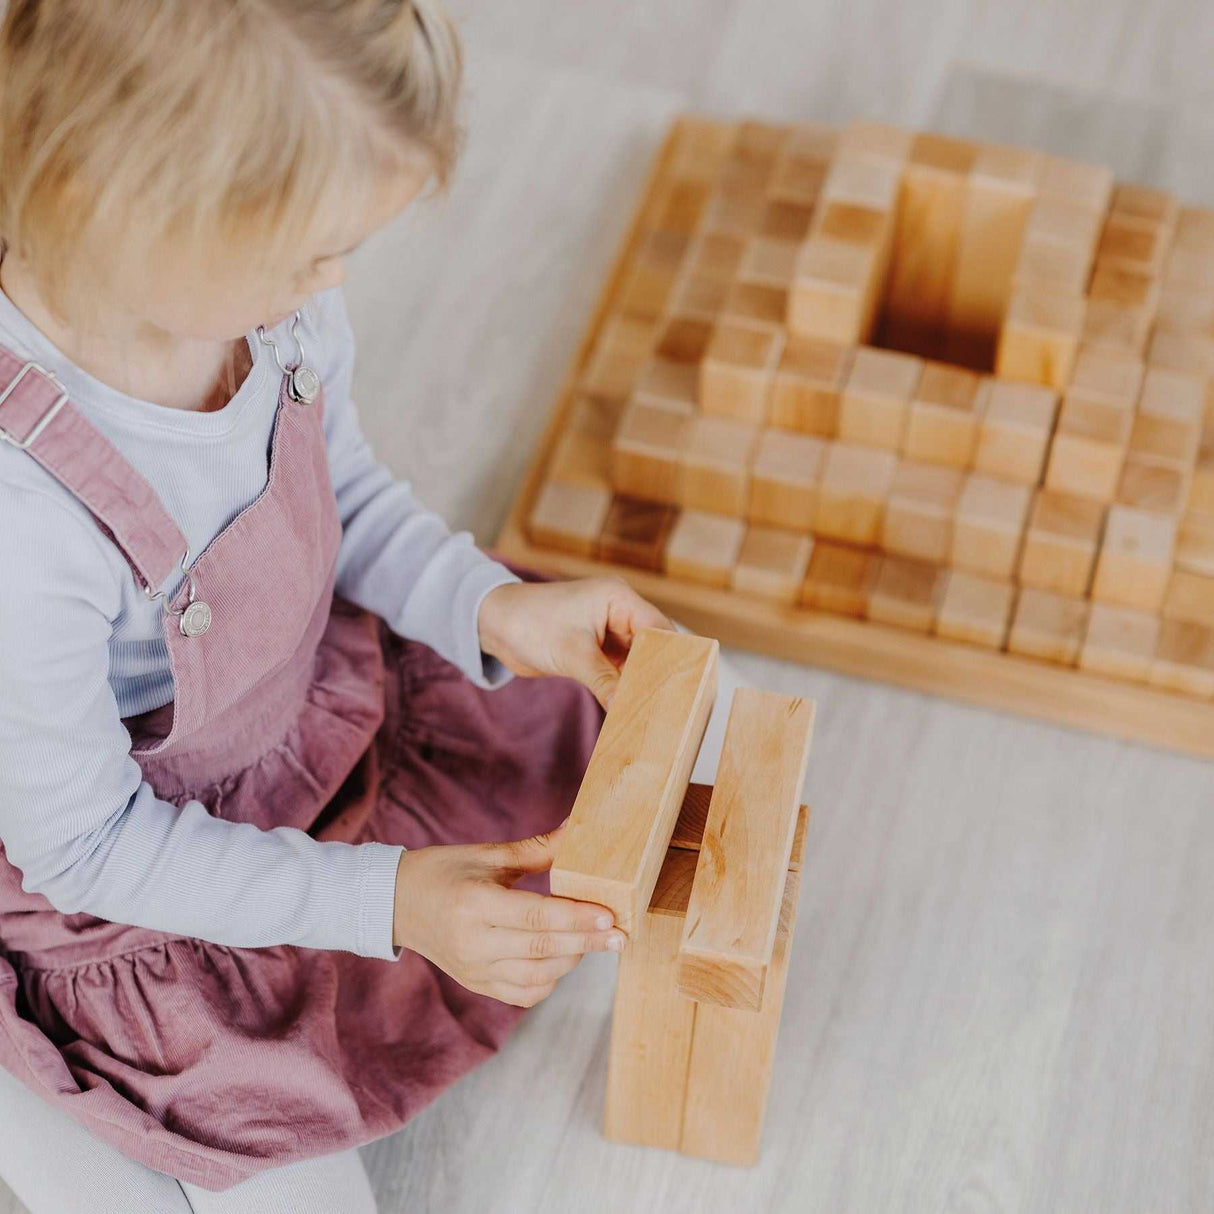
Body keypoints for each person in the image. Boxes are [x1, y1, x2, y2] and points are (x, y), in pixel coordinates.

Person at [0, 2, 706, 1208]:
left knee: (669, 715)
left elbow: (345, 495)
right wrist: (389, 902)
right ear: (114, 205)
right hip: (114, 871)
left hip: (300, 725)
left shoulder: (265, 312)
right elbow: (87, 844)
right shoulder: (26, 523)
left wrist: (488, 609)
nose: (330, 281)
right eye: (305, 253)